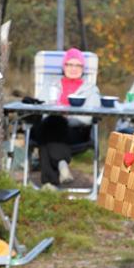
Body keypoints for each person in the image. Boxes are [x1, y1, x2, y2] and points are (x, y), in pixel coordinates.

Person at [32, 48, 100, 188]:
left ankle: (49, 183)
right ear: (64, 67)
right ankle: (62, 163)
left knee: (50, 131)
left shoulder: (91, 89)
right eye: (70, 64)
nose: (74, 68)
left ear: (83, 68)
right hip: (49, 125)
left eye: (78, 65)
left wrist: (67, 118)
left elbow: (89, 117)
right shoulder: (50, 84)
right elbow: (40, 106)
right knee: (52, 122)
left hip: (75, 131)